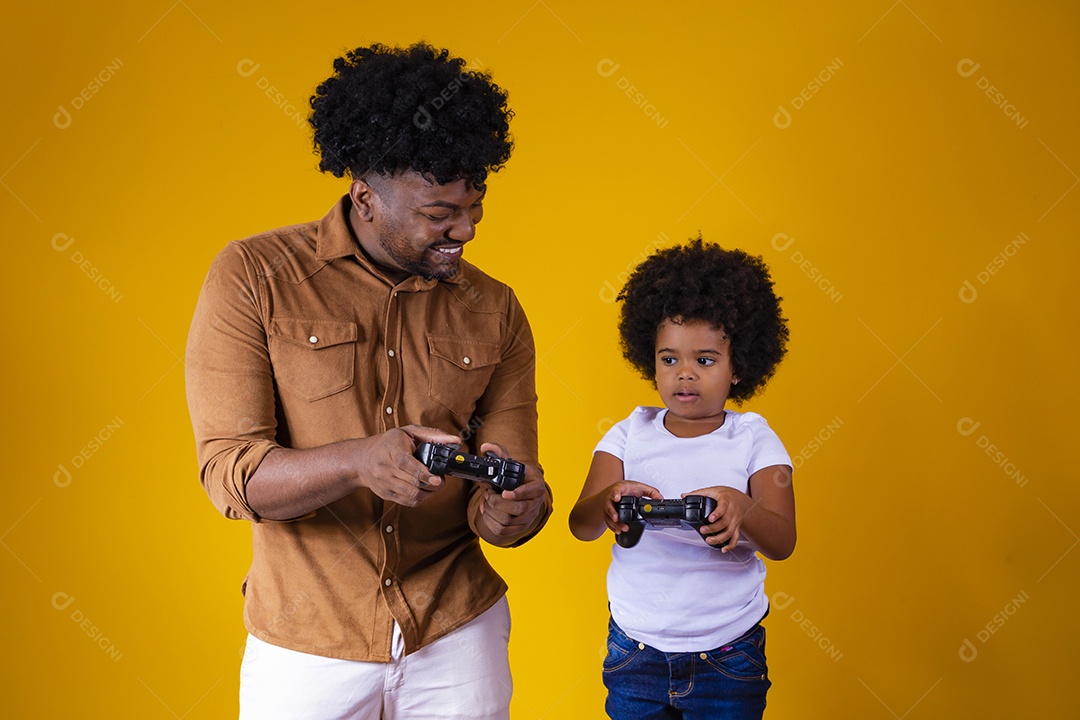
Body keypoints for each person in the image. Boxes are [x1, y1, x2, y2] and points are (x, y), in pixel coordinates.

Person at [184, 42, 552, 720]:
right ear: (366, 199)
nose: (466, 229)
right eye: (441, 214)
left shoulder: (495, 308)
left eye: (475, 204)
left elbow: (504, 494)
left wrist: (514, 508)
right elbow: (230, 475)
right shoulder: (253, 278)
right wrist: (360, 461)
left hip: (457, 630)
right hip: (305, 642)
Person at [568, 237, 795, 719]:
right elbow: (581, 524)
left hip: (729, 653)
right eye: (669, 359)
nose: (684, 374)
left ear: (739, 367)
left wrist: (741, 505)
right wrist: (610, 499)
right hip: (635, 649)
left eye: (705, 360)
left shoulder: (753, 438)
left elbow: (782, 541)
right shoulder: (629, 434)